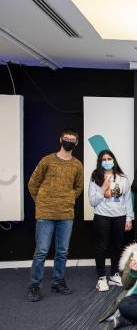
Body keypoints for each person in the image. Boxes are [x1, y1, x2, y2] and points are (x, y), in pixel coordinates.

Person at [27, 128, 84, 302]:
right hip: (45, 213)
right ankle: (35, 285)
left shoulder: (77, 165)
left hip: (66, 214)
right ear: (60, 139)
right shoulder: (47, 160)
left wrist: (68, 199)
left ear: (76, 143)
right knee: (41, 251)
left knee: (62, 251)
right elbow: (32, 184)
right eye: (66, 138)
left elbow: (79, 187)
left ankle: (58, 282)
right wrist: (42, 202)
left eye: (72, 139)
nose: (69, 141)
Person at [88, 150, 134, 292]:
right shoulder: (96, 177)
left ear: (114, 160)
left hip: (120, 216)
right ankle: (101, 277)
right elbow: (92, 201)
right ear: (100, 162)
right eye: (104, 159)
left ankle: (114, 274)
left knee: (117, 246)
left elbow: (128, 200)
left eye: (109, 158)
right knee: (102, 247)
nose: (107, 161)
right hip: (102, 216)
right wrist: (103, 189)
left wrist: (129, 218)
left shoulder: (122, 178)